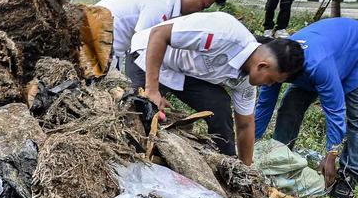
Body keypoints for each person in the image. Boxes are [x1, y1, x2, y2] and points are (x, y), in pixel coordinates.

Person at [126, 12, 304, 164]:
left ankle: (228, 163)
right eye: (271, 80)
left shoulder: (246, 83)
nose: (269, 85)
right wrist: (152, 90)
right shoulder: (223, 33)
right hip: (148, 55)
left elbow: (245, 125)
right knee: (142, 113)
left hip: (185, 73)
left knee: (219, 105)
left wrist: (246, 168)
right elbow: (159, 34)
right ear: (262, 66)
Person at [254, 17, 358, 198]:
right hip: (326, 54)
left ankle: (351, 175)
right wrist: (250, 142)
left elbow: (335, 110)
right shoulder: (278, 58)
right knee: (290, 105)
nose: (269, 83)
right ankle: (280, 156)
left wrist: (331, 154)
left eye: (273, 80)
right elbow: (265, 106)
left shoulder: (317, 66)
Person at [99, 0, 227, 70]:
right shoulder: (161, 5)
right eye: (202, 6)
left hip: (108, 46)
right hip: (101, 48)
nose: (199, 12)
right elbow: (142, 48)